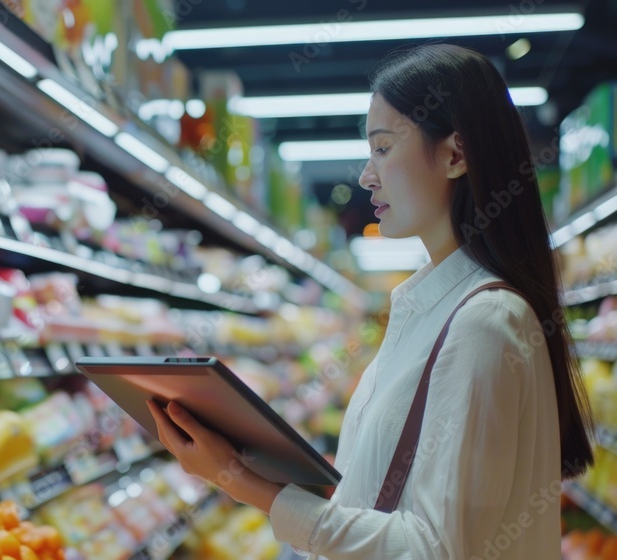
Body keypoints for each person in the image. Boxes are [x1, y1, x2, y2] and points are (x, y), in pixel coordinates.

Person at [147, 43, 595, 560]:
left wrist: (244, 484)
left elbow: (436, 550)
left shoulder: (484, 322)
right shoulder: (434, 309)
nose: (366, 175)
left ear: (455, 154)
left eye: (382, 148)